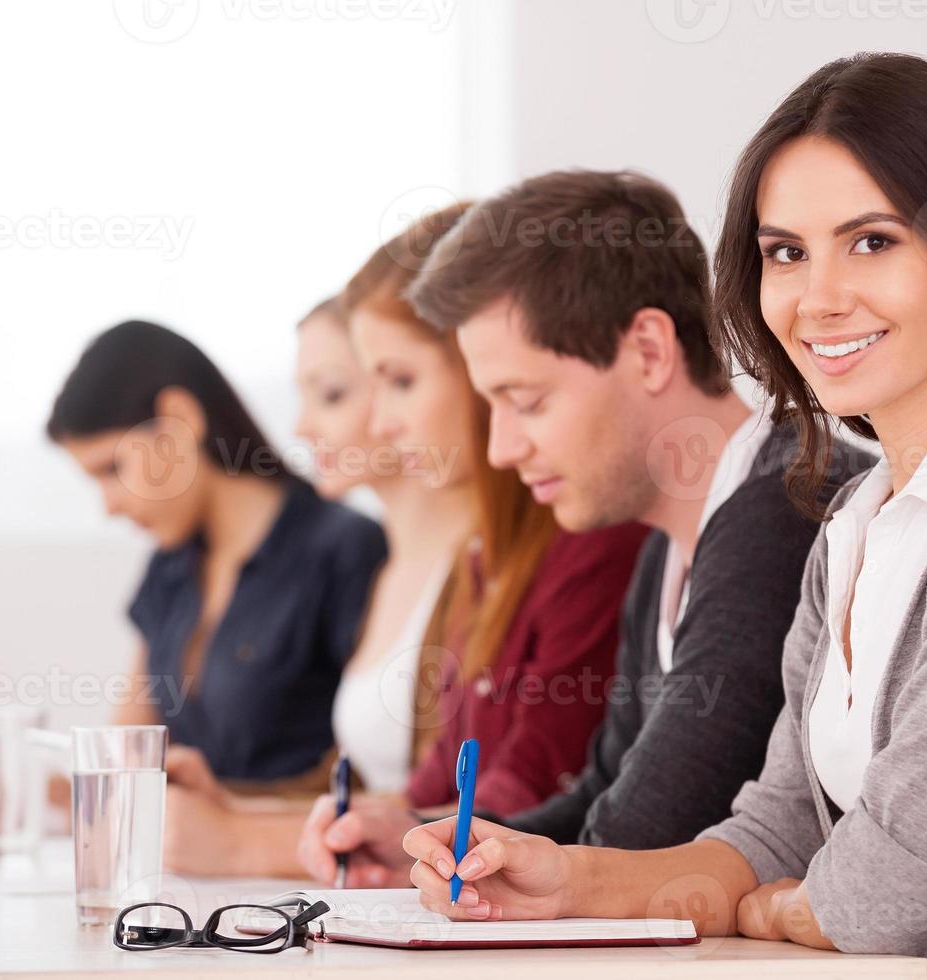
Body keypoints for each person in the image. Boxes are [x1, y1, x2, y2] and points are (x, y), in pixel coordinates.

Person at [400, 53, 927, 980]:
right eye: (785, 252)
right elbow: (776, 823)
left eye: (871, 241)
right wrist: (562, 881)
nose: (817, 298)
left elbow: (873, 898)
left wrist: (785, 902)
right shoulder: (850, 524)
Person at [296, 169, 872, 887]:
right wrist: (425, 837)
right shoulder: (666, 550)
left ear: (648, 352)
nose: (501, 448)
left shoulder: (785, 507)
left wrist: (478, 855)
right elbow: (600, 798)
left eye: (526, 401)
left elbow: (643, 831)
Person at [163, 205, 648, 877]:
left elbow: (527, 795)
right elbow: (426, 796)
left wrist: (243, 841)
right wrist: (250, 815)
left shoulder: (594, 544)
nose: (381, 421)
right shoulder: (484, 562)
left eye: (396, 382)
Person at [158, 294, 464, 873]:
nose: (300, 426)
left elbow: (479, 809)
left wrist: (239, 839)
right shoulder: (392, 567)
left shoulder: (397, 556)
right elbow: (375, 796)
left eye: (332, 394)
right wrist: (234, 806)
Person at [47, 319, 386, 789]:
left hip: (296, 858)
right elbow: (119, 759)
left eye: (113, 468)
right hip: (182, 859)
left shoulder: (345, 549)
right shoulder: (170, 568)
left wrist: (223, 823)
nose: (109, 506)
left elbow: (372, 779)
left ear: (179, 420)